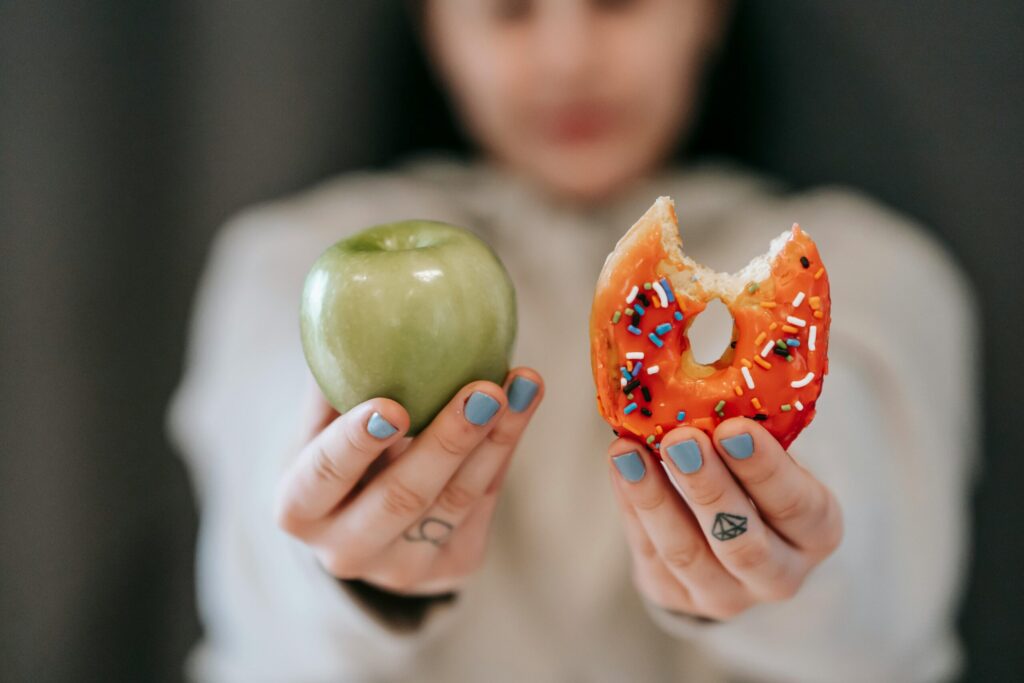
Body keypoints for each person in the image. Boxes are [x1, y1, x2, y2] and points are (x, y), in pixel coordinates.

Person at [167, 0, 978, 681]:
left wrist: (789, 570)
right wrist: (346, 570)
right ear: (434, 27)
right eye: (508, 9)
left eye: (618, 0)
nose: (567, 58)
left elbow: (882, 572)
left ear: (708, 12)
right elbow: (257, 580)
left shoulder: (875, 267)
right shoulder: (282, 260)